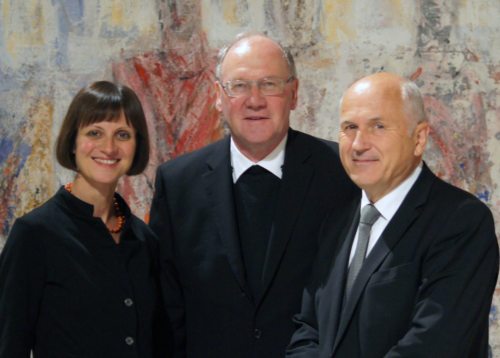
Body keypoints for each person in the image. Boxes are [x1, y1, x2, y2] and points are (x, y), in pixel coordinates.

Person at [149, 32, 358, 358]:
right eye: (239, 86)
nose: (255, 99)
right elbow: (167, 309)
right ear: (218, 96)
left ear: (294, 93)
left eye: (269, 84)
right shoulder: (177, 184)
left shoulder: (343, 174)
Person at [286, 72, 499, 357]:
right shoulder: (336, 222)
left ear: (419, 138)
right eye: (350, 127)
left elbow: (434, 345)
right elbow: (308, 329)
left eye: (379, 126)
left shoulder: (461, 223)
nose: (359, 143)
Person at [0, 81, 170, 357]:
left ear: (137, 145)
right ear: (73, 141)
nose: (109, 147)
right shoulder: (34, 235)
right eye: (95, 132)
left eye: (123, 135)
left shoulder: (144, 240)